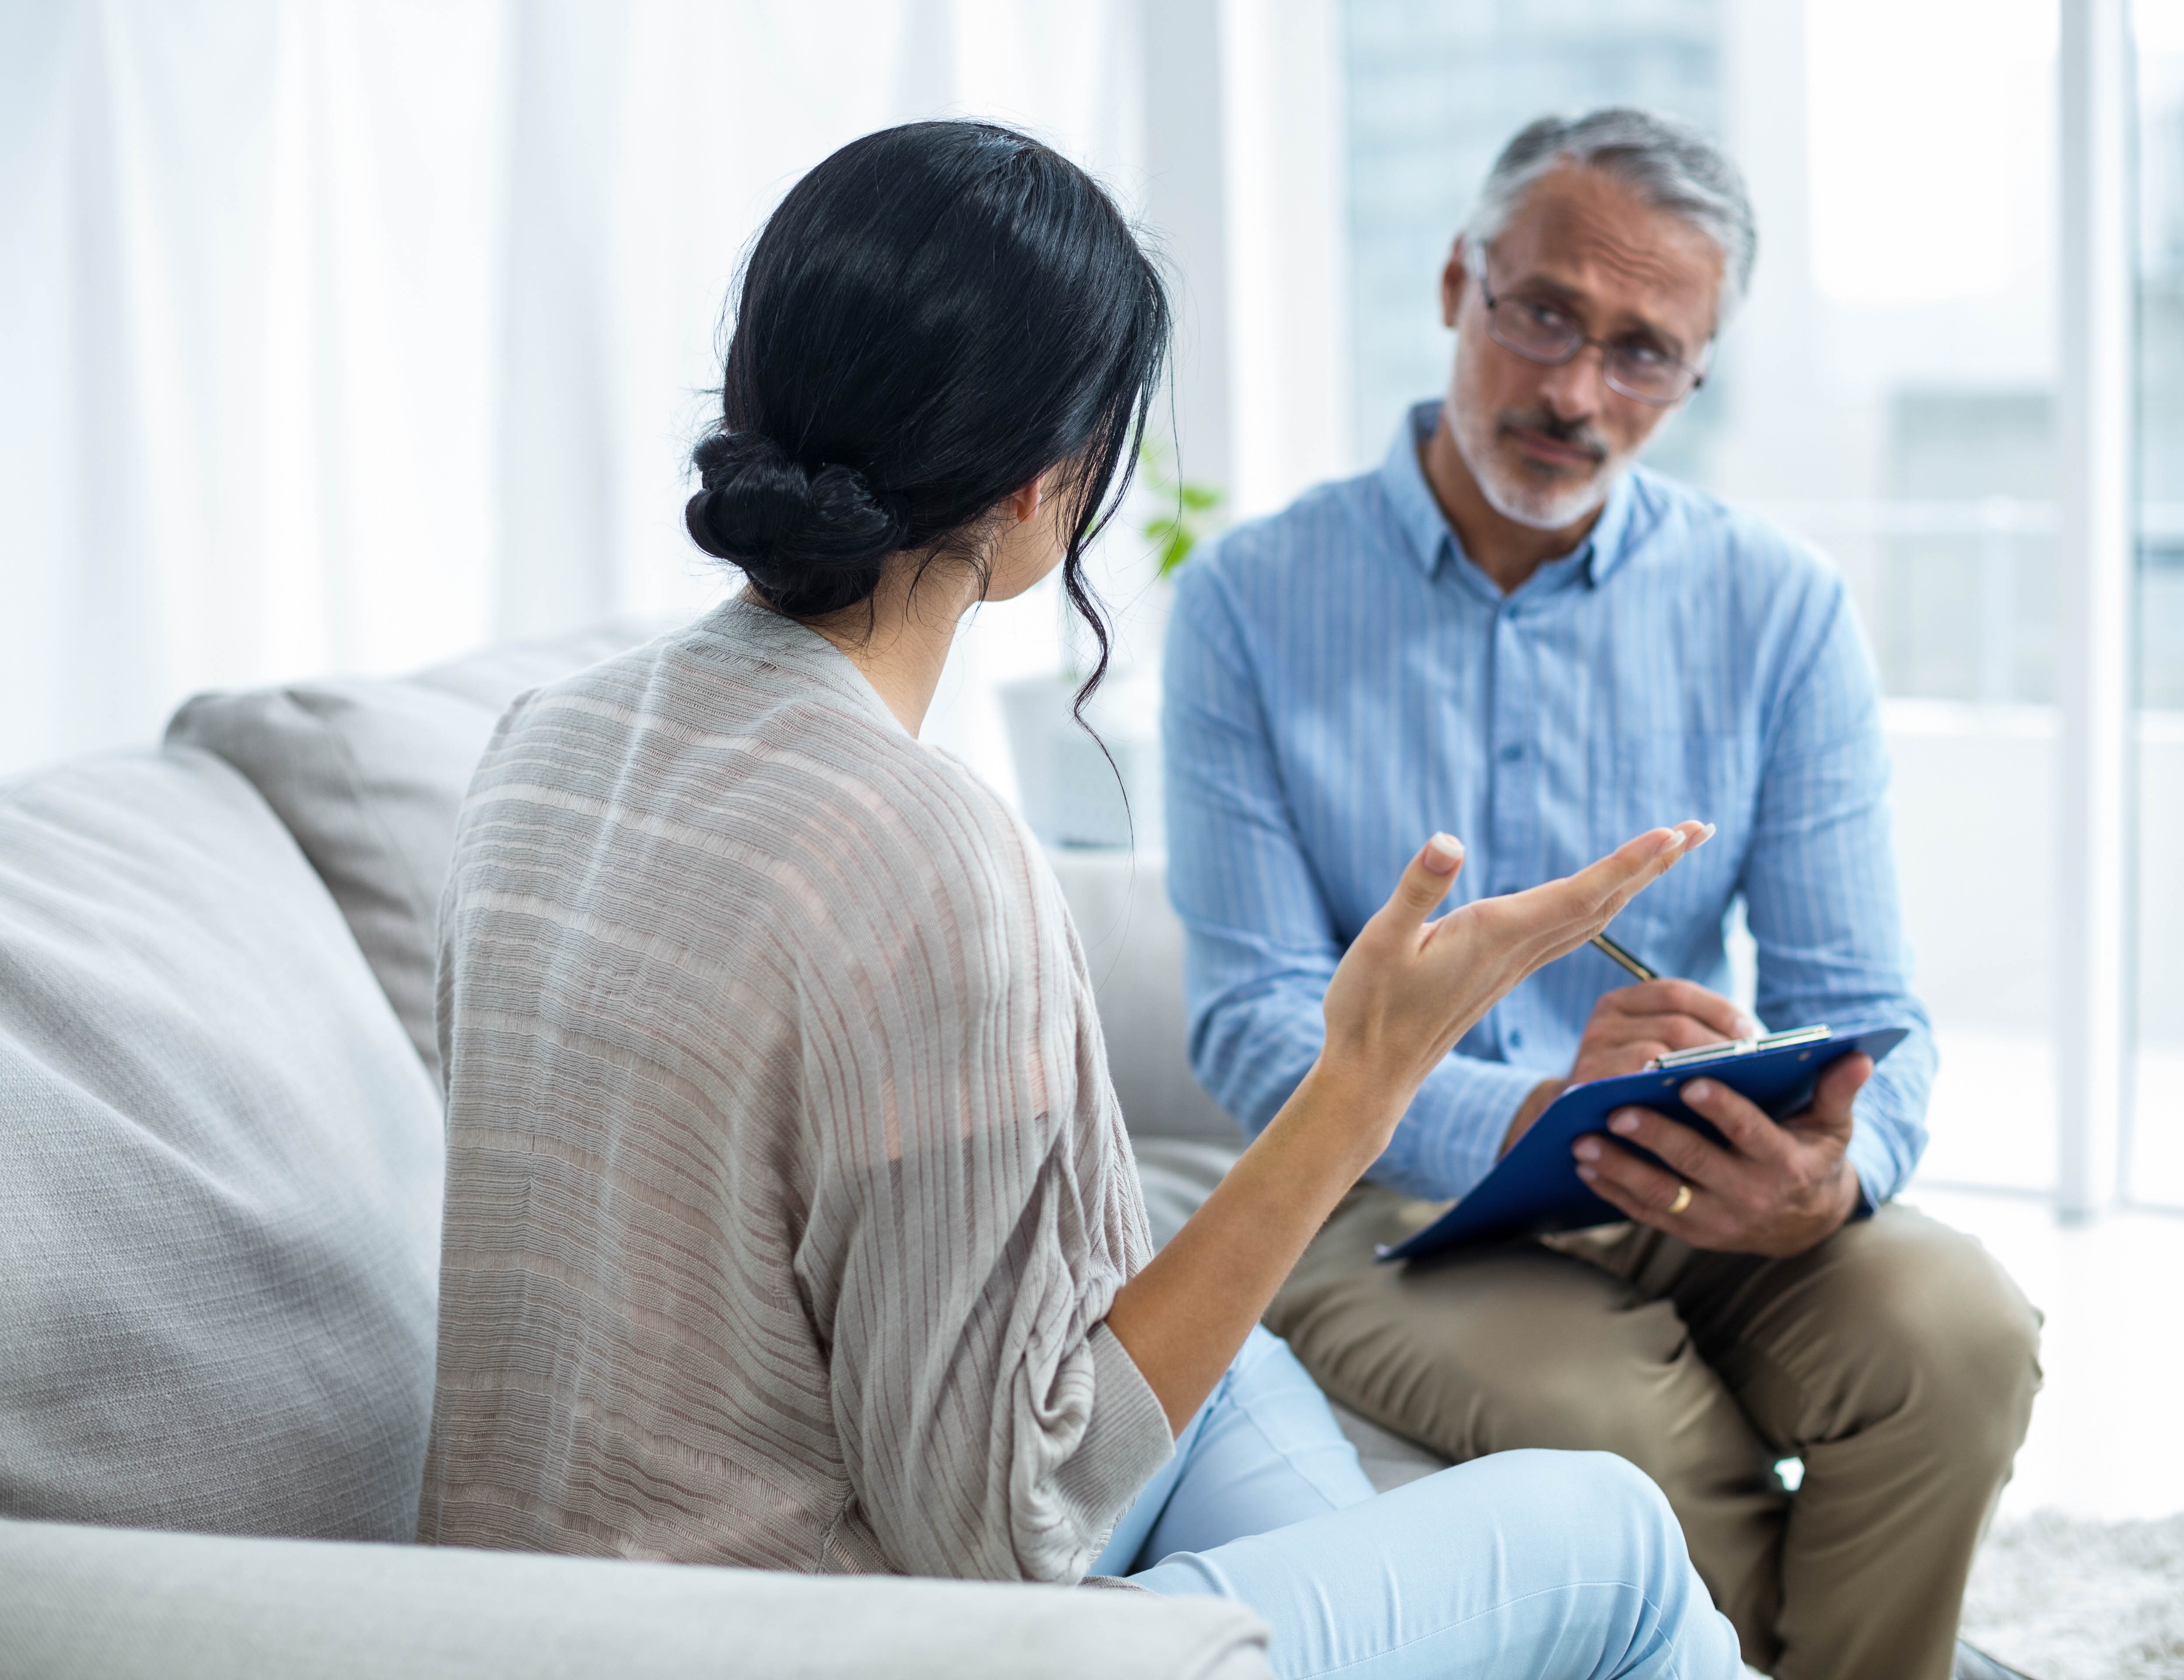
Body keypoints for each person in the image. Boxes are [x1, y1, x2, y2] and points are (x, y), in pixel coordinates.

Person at [417, 120, 1742, 1680]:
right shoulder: (928, 858)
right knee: (1615, 1537)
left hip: (507, 1624)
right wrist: (1364, 1082)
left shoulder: (542, 746)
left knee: (1233, 1370)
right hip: (816, 1645)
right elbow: (1002, 1527)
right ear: (1055, 481)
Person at [1163, 109, 2043, 1680]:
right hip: (1377, 1204)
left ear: (1696, 375)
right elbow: (1247, 1025)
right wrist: (1519, 1115)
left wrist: (1838, 1176)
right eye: (1547, 314)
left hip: (1691, 1174)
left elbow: (1873, 1008)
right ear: (1458, 284)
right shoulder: (1246, 603)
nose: (1576, 391)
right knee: (1615, 1426)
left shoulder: (1780, 610)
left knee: (1958, 1333)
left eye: (1643, 351)